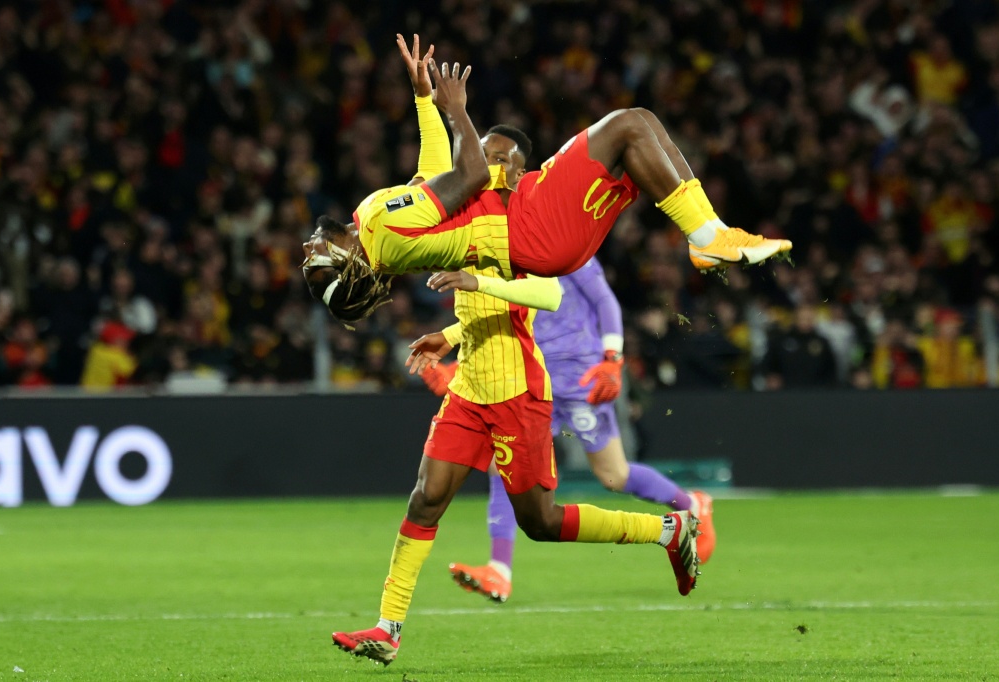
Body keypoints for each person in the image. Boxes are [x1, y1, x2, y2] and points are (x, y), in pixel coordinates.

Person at [330, 43, 702, 669]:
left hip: (519, 386)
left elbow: (549, 291)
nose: (489, 163)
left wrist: (478, 283)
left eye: (503, 159)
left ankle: (669, 528)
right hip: (472, 382)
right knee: (426, 497)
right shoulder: (455, 211)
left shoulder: (523, 229)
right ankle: (387, 627)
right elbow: (432, 169)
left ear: (521, 172)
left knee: (543, 520)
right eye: (487, 155)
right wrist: (424, 97)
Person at [302, 35, 792, 326]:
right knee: (626, 126)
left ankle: (708, 234)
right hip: (528, 230)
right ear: (351, 266)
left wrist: (423, 98)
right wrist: (457, 114)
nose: (309, 252)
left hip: (527, 218)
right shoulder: (384, 238)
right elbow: (469, 174)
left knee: (638, 123)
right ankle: (707, 238)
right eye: (319, 267)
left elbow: (429, 177)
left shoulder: (371, 221)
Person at [421, 256, 717, 604]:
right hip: (528, 378)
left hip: (580, 379)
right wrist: (460, 366)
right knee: (502, 464)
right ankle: (499, 570)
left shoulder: (567, 246)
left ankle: (692, 505)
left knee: (613, 475)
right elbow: (499, 317)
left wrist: (613, 357)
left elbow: (604, 299)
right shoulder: (502, 248)